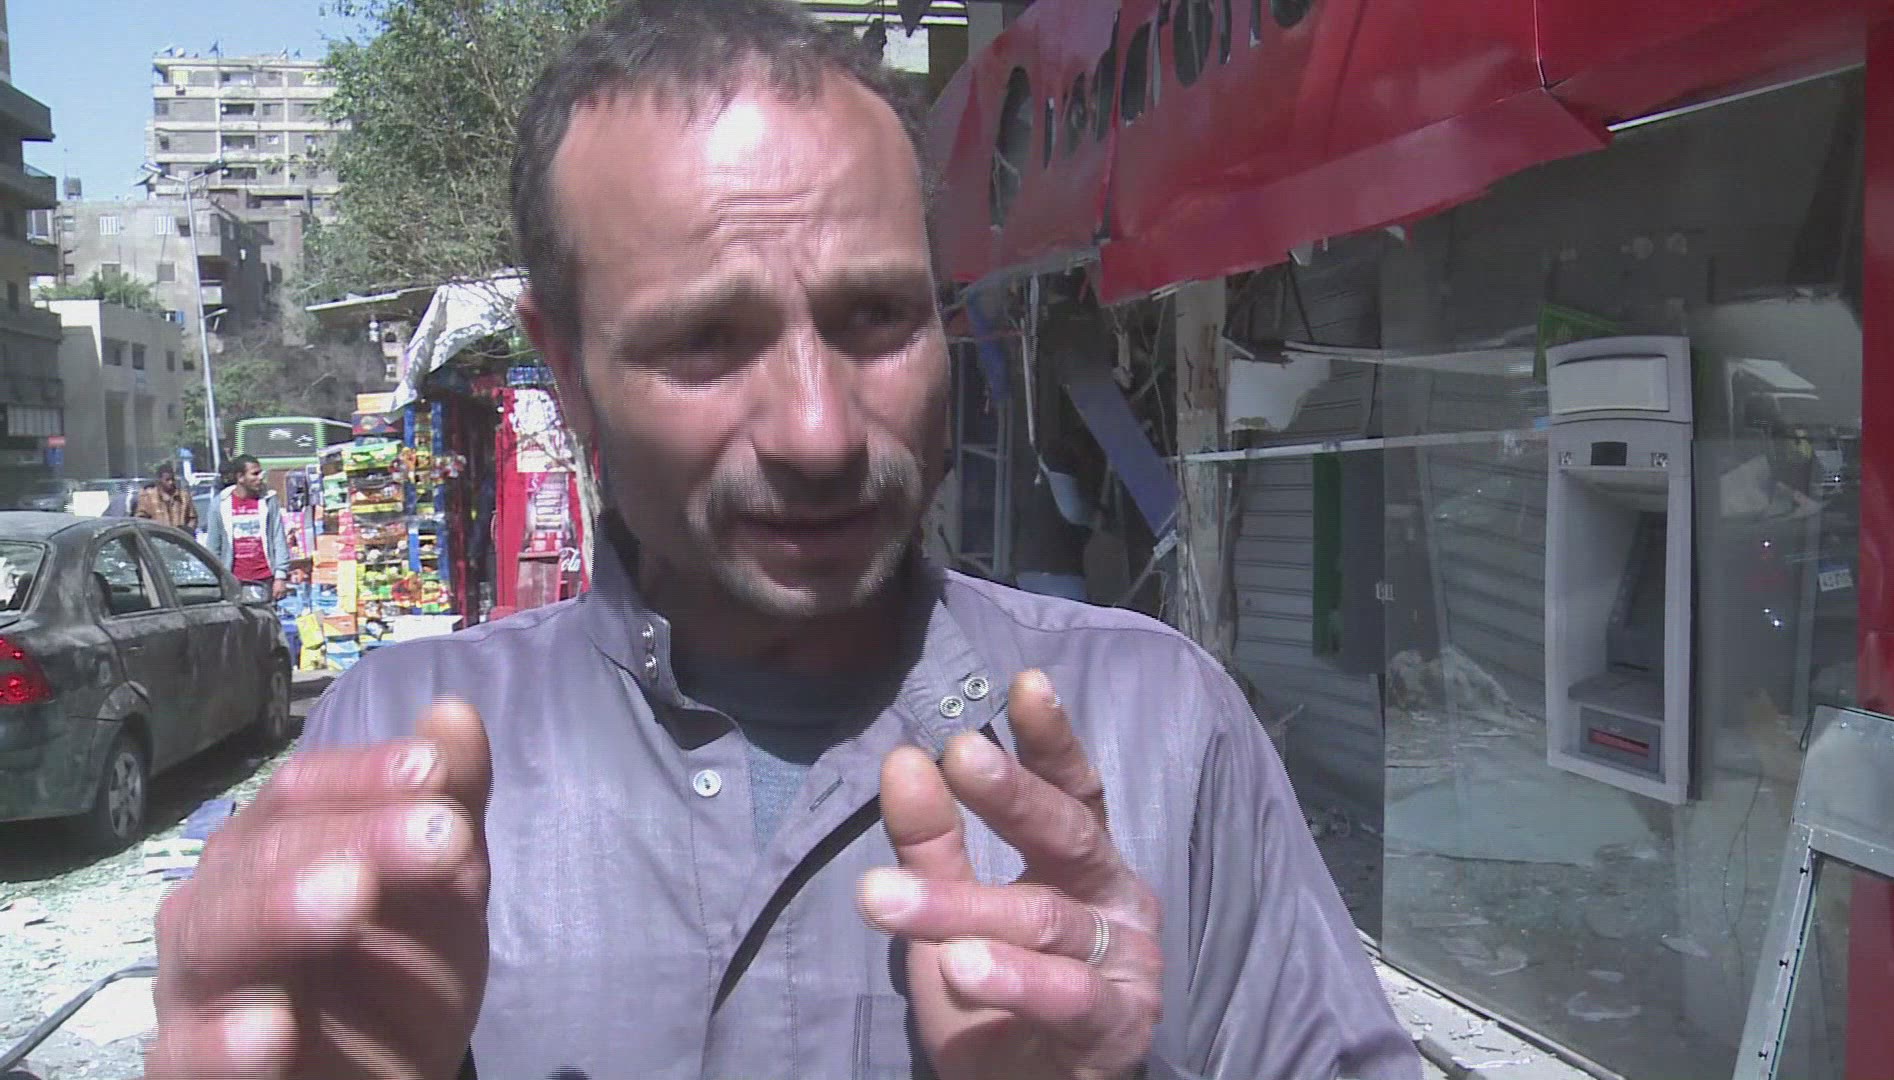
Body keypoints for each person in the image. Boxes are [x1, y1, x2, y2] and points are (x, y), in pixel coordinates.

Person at [145, 3, 1420, 1078]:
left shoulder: (1162, 727)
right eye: (706, 340)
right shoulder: (400, 758)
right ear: (566, 373)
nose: (819, 433)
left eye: (876, 318)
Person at [204, 454, 289, 603]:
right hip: (234, 581)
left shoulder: (268, 500)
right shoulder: (220, 504)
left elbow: (278, 539)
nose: (260, 478)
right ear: (240, 477)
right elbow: (213, 546)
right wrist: (216, 580)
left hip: (265, 579)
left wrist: (280, 577)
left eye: (260, 473)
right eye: (254, 474)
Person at [132, 461, 198, 533]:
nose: (171, 482)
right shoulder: (148, 497)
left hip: (180, 537)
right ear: (160, 480)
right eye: (167, 480)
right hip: (158, 537)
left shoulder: (183, 497)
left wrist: (187, 532)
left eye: (172, 479)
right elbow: (141, 519)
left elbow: (192, 518)